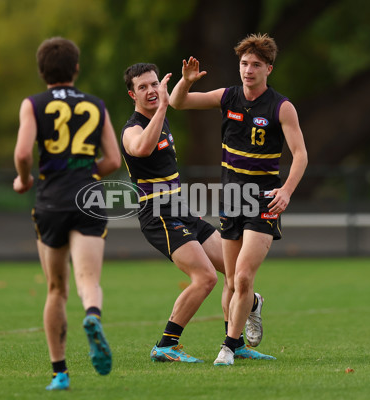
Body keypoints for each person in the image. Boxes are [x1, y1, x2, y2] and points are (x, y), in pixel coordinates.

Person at [170, 33, 308, 366]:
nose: (248, 70)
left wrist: (286, 190)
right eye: (244, 64)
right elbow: (177, 103)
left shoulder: (280, 106)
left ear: (268, 69)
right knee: (232, 281)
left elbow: (301, 154)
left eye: (256, 65)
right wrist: (186, 82)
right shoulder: (228, 97)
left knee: (244, 276)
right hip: (233, 197)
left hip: (264, 200)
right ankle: (251, 312)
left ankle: (228, 347)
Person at [121, 62, 273, 363]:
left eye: (154, 84)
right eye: (143, 87)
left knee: (233, 274)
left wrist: (173, 97)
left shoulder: (161, 118)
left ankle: (236, 342)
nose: (151, 90)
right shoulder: (133, 128)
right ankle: (165, 345)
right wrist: (163, 106)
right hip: (158, 215)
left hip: (181, 209)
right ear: (132, 95)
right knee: (205, 278)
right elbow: (140, 149)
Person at [13, 37, 121, 390]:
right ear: (76, 68)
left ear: (41, 70)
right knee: (88, 281)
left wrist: (24, 179)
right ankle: (92, 314)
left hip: (51, 200)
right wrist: (88, 174)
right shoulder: (95, 105)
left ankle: (60, 373)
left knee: (56, 289)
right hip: (87, 198)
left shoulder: (33, 104)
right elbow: (114, 160)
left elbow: (24, 153)